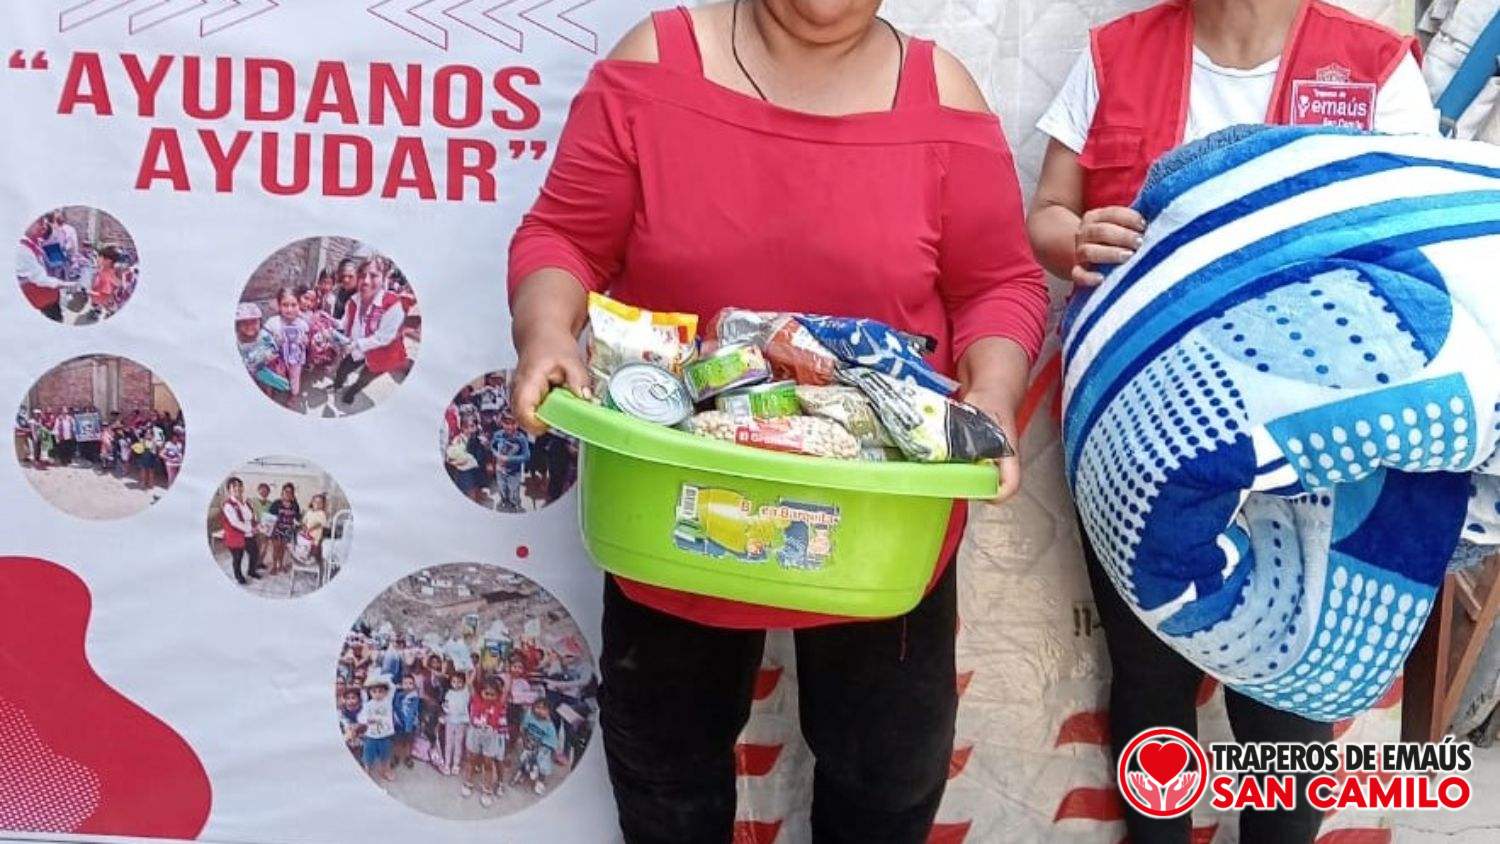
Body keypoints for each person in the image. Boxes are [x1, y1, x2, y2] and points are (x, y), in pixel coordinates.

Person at [505, 2, 1046, 839]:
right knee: (667, 770)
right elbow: (565, 237)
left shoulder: (942, 96)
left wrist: (994, 395)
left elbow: (999, 285)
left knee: (887, 773)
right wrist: (546, 333)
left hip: (880, 509)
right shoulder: (658, 64)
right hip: (675, 493)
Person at [1024, 2, 1437, 842]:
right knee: (1150, 676)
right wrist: (1074, 236)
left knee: (1287, 690)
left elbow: (1415, 232)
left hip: (1318, 436)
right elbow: (1048, 213)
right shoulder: (1114, 53)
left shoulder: (1376, 65)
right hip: (1137, 433)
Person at [331, 258, 410, 407]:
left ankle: (350, 393)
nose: (366, 281)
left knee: (364, 379)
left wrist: (356, 344)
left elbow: (383, 338)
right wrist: (331, 322)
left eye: (373, 275)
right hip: (357, 350)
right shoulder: (353, 301)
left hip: (383, 355)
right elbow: (345, 322)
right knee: (343, 369)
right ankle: (337, 386)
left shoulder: (392, 304)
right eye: (362, 275)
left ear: (384, 278)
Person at [464, 680, 511, 807]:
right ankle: (468, 782)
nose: (489, 696)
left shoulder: (499, 704)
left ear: (497, 695)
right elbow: (470, 686)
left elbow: (505, 690)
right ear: (481, 692)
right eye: (486, 693)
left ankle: (487, 790)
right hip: (475, 734)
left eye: (492, 694)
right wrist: (470, 680)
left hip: (491, 737)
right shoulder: (476, 700)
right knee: (472, 760)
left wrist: (508, 677)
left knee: (488, 763)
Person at [264, 287, 310, 402]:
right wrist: (274, 341)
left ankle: (294, 395)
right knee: (271, 375)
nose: (289, 309)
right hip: (276, 358)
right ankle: (269, 393)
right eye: (285, 305)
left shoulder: (303, 324)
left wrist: (305, 341)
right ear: (279, 306)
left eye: (293, 305)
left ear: (299, 305)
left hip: (295, 359)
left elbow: (307, 341)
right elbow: (264, 339)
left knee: (294, 377)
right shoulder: (272, 322)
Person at [17, 216, 64, 321]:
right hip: (41, 296)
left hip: (46, 295)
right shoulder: (24, 248)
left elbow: (56, 261)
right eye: (41, 223)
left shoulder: (39, 239)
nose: (43, 226)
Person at [515, 698, 562, 797]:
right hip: (529, 744)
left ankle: (540, 781)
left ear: (549, 711)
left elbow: (551, 742)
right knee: (525, 759)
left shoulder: (549, 726)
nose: (540, 710)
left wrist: (544, 749)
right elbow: (523, 728)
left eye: (544, 709)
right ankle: (522, 773)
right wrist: (524, 741)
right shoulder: (529, 717)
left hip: (543, 748)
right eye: (537, 707)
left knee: (542, 765)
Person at [221, 477, 260, 584]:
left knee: (254, 553)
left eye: (239, 485)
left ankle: (251, 571)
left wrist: (256, 524)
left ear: (242, 488)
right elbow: (235, 522)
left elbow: (251, 516)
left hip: (249, 535)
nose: (237, 488)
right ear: (229, 489)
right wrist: (251, 529)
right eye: (234, 486)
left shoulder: (246, 502)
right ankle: (239, 576)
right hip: (235, 537)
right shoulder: (228, 505)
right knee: (238, 558)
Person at [358, 677, 397, 783]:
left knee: (386, 755)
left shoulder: (388, 702)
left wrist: (379, 679)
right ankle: (367, 771)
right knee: (368, 755)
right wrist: (367, 720)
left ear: (385, 692)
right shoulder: (368, 705)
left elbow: (392, 686)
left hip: (385, 735)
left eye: (380, 691)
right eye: (374, 691)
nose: (377, 694)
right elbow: (361, 717)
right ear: (370, 693)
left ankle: (385, 771)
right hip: (371, 735)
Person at [491, 415, 531, 513]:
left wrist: (509, 459)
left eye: (513, 424)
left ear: (518, 424)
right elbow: (492, 447)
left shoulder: (521, 438)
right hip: (500, 470)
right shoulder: (497, 435)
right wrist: (496, 455)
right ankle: (504, 500)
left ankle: (515, 505)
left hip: (514, 471)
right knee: (502, 488)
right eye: (506, 423)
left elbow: (526, 456)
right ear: (502, 423)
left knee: (513, 491)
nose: (509, 427)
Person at [441, 670, 472, 777]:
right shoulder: (449, 693)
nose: (456, 684)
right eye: (454, 682)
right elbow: (446, 705)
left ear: (463, 683)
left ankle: (456, 764)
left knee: (458, 744)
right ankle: (447, 764)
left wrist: (468, 670)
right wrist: (445, 712)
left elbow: (470, 682)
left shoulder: (466, 693)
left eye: (459, 682)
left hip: (461, 722)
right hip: (450, 721)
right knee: (448, 743)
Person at [267, 483, 301, 575]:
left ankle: (281, 565)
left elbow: (297, 519)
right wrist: (269, 531)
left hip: (288, 531)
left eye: (290, 492)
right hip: (276, 530)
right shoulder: (276, 503)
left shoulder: (295, 505)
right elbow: (269, 518)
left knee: (282, 549)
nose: (288, 493)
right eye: (286, 491)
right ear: (282, 492)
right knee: (276, 549)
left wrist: (297, 526)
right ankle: (274, 566)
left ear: (293, 494)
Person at [393, 674, 422, 771]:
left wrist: (409, 725)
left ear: (414, 685)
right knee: (397, 741)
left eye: (410, 683)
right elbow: (396, 707)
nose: (408, 685)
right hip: (399, 723)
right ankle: (396, 756)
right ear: (401, 684)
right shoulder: (397, 695)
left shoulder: (415, 697)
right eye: (405, 683)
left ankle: (407, 757)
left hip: (410, 723)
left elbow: (413, 711)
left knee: (408, 741)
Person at [303, 493, 330, 566]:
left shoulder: (322, 513)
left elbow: (321, 523)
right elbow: (304, 521)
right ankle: (307, 561)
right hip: (307, 536)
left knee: (315, 549)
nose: (317, 504)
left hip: (316, 536)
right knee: (307, 549)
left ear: (323, 504)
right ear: (312, 502)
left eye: (320, 502)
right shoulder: (309, 512)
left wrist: (311, 528)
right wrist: (305, 527)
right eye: (315, 502)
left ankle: (315, 562)